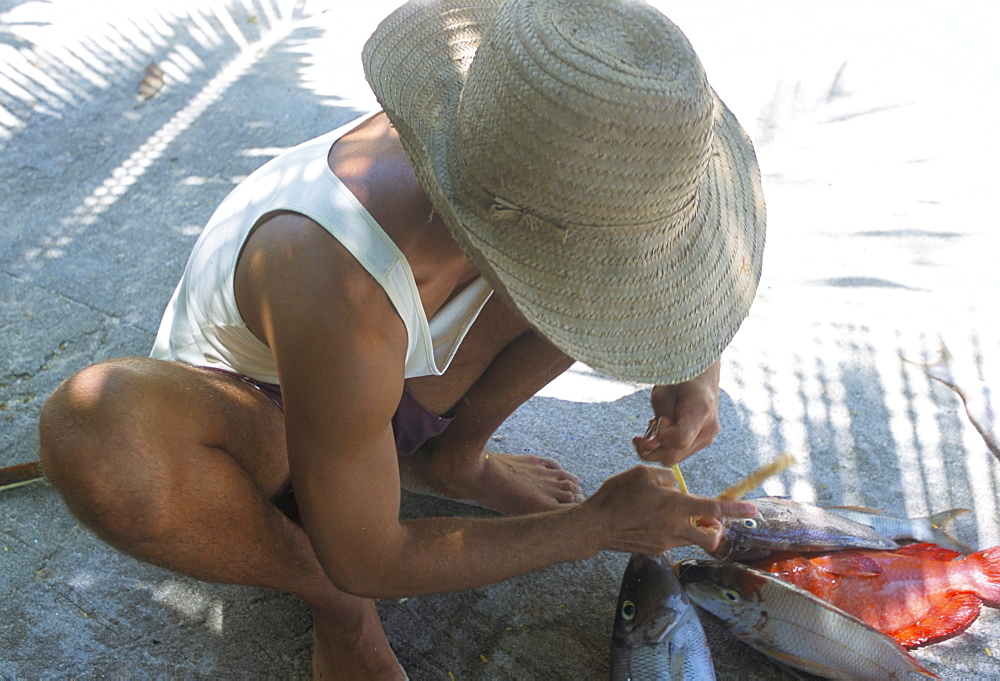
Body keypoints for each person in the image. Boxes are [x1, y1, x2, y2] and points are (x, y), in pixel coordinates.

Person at [38, 0, 766, 678]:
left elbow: (646, 251)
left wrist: (696, 360)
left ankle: (451, 457)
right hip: (272, 421)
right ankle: (331, 607)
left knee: (606, 285)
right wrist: (594, 526)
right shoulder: (334, 283)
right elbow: (372, 556)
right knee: (97, 436)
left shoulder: (527, 159)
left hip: (390, 385)